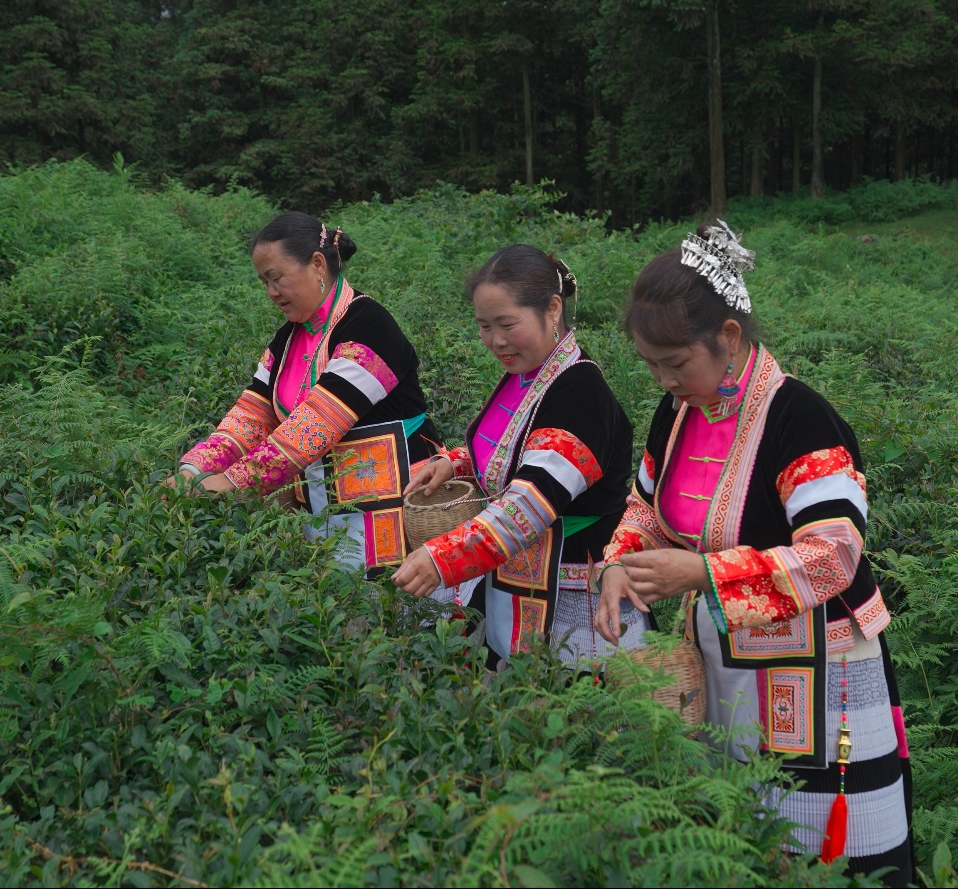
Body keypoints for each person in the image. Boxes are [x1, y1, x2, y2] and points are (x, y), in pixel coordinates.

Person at [593, 223, 913, 883]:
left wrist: (702, 572)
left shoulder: (801, 418)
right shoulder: (678, 412)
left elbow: (832, 558)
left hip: (820, 676)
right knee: (741, 834)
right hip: (724, 664)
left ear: (729, 339)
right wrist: (621, 563)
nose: (662, 378)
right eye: (650, 364)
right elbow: (646, 507)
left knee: (831, 850)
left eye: (675, 362)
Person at [391, 245, 648, 666]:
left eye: (507, 324)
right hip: (515, 570)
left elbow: (529, 502)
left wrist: (445, 557)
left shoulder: (579, 393)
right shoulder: (526, 375)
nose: (496, 341)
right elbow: (507, 448)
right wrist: (453, 462)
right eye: (484, 326)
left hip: (572, 590)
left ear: (552, 308)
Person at [175, 211, 443, 573]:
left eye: (277, 278)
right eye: (263, 282)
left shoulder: (369, 325)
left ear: (317, 264)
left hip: (397, 505)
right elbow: (252, 415)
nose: (271, 293)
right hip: (324, 510)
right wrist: (193, 471)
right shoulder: (288, 338)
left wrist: (229, 483)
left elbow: (317, 425)